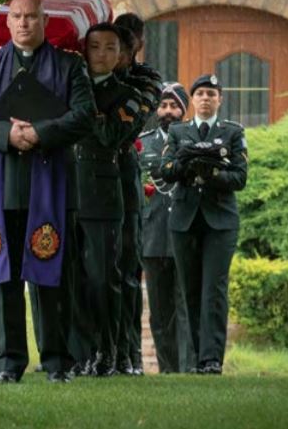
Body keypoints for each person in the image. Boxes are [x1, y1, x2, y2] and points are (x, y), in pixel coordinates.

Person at [0, 0, 96, 384]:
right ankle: (7, 363)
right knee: (2, 278)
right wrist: (7, 134)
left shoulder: (69, 66)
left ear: (44, 20)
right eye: (17, 17)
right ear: (7, 22)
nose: (23, 23)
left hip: (50, 184)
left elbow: (84, 115)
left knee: (53, 278)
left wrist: (40, 133)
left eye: (31, 17)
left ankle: (56, 363)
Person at [70, 23, 145, 376]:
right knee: (74, 278)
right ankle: (79, 352)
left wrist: (83, 107)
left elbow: (110, 134)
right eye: (94, 47)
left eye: (109, 48)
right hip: (68, 190)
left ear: (121, 56)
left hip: (102, 192)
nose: (100, 55)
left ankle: (107, 352)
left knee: (104, 278)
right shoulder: (69, 87)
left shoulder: (128, 95)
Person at [161, 74, 248, 374]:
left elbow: (240, 178)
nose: (206, 98)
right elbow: (166, 170)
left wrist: (212, 175)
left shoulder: (233, 133)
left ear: (220, 100)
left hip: (220, 220)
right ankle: (193, 359)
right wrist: (187, 163)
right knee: (189, 290)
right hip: (184, 219)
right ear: (193, 100)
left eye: (212, 93)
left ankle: (211, 360)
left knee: (214, 289)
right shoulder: (178, 131)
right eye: (200, 94)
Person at [113, 19, 162, 375]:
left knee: (128, 269)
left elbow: (126, 123)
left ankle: (129, 354)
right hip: (90, 179)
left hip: (124, 177)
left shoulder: (146, 79)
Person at [139, 82, 195, 373]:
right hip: (152, 236)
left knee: (185, 308)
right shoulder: (143, 142)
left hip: (185, 234)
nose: (168, 111)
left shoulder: (193, 141)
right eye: (164, 105)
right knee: (159, 313)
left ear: (184, 110)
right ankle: (168, 370)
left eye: (174, 106)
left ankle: (188, 369)